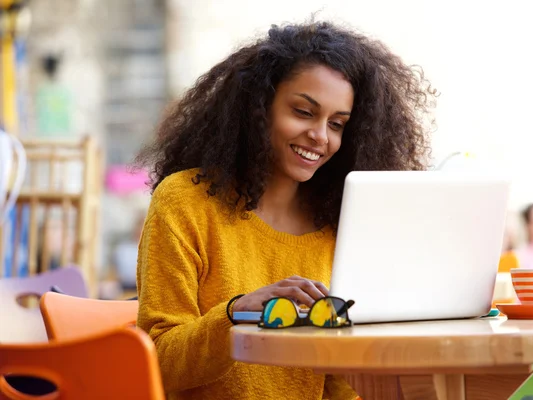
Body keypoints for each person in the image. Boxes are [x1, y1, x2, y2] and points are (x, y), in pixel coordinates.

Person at [135, 20, 435, 400]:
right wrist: (236, 314)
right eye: (303, 112)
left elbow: (339, 383)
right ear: (258, 108)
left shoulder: (339, 223)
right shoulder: (185, 201)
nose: (321, 137)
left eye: (338, 124)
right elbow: (158, 360)